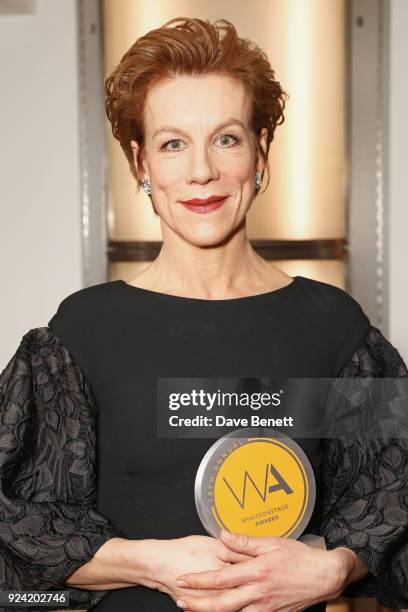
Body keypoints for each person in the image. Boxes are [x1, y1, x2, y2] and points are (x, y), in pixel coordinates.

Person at [1, 16, 407, 612]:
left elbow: (391, 496)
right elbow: (16, 524)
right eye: (172, 144)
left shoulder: (333, 331)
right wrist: (148, 561)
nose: (201, 173)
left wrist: (334, 570)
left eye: (226, 138)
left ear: (261, 151)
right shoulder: (84, 335)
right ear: (141, 165)